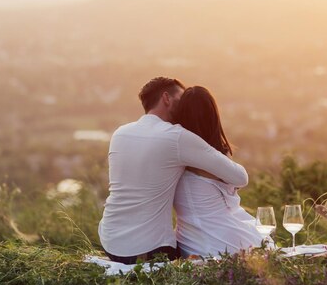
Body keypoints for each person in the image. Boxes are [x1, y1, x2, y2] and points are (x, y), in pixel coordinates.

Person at [98, 77, 249, 264]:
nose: (184, 105)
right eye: (180, 99)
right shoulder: (176, 137)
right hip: (149, 250)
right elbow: (240, 177)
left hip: (109, 241)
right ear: (166, 98)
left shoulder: (120, 133)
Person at [174, 86, 266, 257]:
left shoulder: (172, 153)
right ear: (213, 116)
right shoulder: (212, 159)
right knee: (264, 247)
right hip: (222, 240)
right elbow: (241, 178)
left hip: (188, 242)